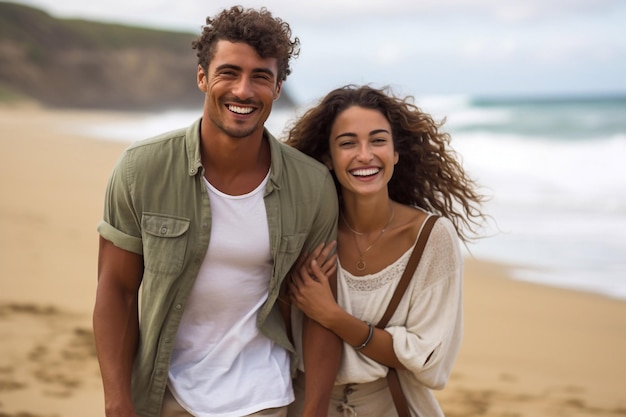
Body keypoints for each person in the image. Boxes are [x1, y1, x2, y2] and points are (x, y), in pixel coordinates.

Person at [93, 6, 341, 417]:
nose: (243, 91)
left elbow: (320, 313)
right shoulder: (142, 169)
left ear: (278, 89)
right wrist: (117, 403)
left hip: (265, 398)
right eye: (229, 72)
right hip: (165, 396)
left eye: (261, 76)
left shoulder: (311, 186)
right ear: (202, 77)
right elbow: (116, 290)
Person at [284, 84, 486, 417]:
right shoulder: (304, 230)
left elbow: (428, 356)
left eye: (378, 140)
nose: (365, 155)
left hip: (391, 406)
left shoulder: (431, 238)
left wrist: (332, 315)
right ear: (327, 158)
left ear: (395, 152)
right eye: (348, 143)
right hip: (303, 406)